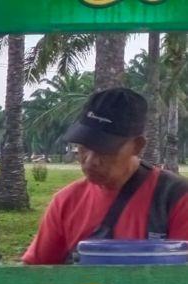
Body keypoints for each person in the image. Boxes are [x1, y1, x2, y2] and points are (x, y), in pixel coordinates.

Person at [23, 87, 188, 265]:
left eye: (105, 149)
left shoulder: (177, 200)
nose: (90, 160)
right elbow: (34, 273)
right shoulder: (66, 202)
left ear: (138, 146)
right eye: (84, 146)